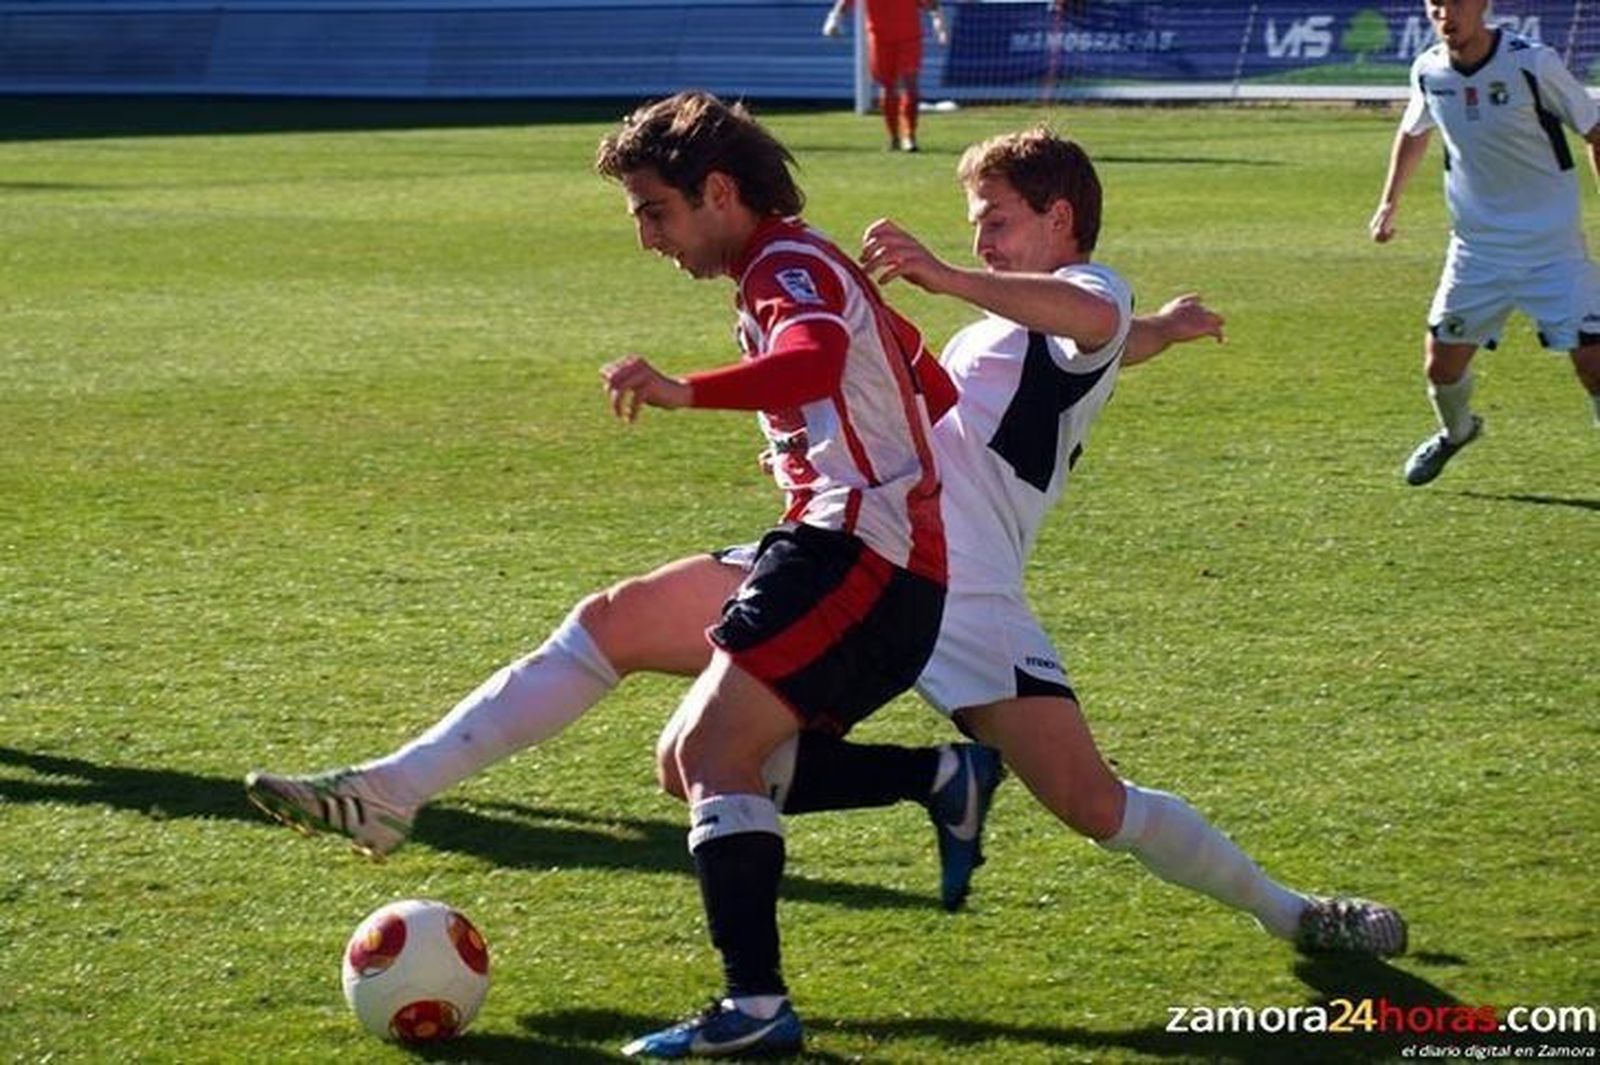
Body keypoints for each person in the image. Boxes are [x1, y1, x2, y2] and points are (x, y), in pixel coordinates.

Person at [250, 115, 1406, 1059]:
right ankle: (396, 789)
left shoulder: (1077, 288)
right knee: (633, 655)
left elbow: (1088, 316)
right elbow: (1083, 345)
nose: (984, 244)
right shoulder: (1037, 325)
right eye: (974, 229)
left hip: (923, 573)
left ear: (1058, 220)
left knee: (1095, 806)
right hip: (881, 549)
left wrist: (977, 285)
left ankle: (1296, 913)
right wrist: (1156, 331)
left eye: (998, 224)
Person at [1369, 0, 1600, 486]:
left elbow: (1594, 130)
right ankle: (1457, 432)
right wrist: (1390, 201)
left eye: (1454, 3)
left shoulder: (1532, 62)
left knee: (1594, 362)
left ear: (1481, 5)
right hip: (1477, 251)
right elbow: (1414, 129)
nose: (1444, 15)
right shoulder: (1429, 69)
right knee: (1441, 369)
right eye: (1435, 6)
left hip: (1552, 248)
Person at [823, 0, 949, 152]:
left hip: (909, 37)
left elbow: (931, 4)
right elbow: (845, 3)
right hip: (880, 38)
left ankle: (909, 136)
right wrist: (834, 18)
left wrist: (939, 21)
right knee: (887, 86)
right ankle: (894, 136)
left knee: (910, 84)